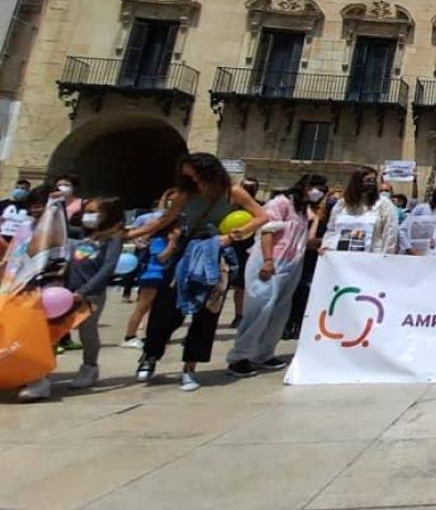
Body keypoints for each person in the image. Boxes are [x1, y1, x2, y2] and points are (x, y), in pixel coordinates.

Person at [125, 154, 269, 392]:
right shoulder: (185, 194)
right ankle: (151, 354)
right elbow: (164, 220)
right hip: (186, 253)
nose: (187, 176)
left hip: (217, 254)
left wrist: (235, 234)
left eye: (191, 172)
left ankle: (189, 368)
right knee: (166, 308)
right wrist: (131, 234)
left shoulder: (232, 193)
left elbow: (262, 216)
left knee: (207, 314)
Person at [16, 196, 126, 400]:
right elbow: (59, 229)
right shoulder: (80, 236)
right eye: (87, 211)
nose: (89, 216)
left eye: (95, 212)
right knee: (52, 334)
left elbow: (107, 268)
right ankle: (42, 376)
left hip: (90, 294)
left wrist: (83, 292)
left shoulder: (112, 239)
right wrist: (55, 206)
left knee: (87, 332)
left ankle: (89, 367)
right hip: (63, 294)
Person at [227, 177, 312, 377]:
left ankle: (264, 353)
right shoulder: (280, 203)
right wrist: (267, 260)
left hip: (291, 264)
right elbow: (267, 231)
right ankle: (239, 357)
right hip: (271, 261)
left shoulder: (302, 210)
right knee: (260, 308)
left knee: (279, 310)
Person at [121, 189, 179, 348]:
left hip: (162, 270)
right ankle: (130, 336)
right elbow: (161, 255)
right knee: (143, 305)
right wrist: (173, 243)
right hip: (153, 270)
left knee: (156, 306)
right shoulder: (160, 224)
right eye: (170, 201)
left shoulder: (171, 223)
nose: (173, 204)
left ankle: (151, 334)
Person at [284, 174, 329, 340]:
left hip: (313, 258)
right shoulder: (298, 206)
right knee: (292, 292)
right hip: (296, 255)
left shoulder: (326, 210)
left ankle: (299, 325)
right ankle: (288, 324)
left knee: (305, 292)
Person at [322, 167, 398, 254]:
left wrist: (386, 256)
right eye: (368, 180)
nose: (371, 184)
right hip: (342, 259)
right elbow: (331, 229)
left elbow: (391, 233)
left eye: (373, 180)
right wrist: (326, 246)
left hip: (373, 258)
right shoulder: (342, 204)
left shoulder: (384, 204)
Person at [229, 177, 261, 328]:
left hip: (248, 249)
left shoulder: (259, 208)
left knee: (241, 286)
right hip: (230, 246)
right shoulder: (231, 207)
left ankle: (239, 315)